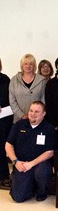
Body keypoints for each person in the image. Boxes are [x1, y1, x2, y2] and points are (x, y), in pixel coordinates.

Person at [5, 101, 55, 202]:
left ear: (43, 114)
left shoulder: (48, 128)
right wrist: (15, 161)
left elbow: (50, 152)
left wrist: (32, 164)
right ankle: (30, 186)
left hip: (39, 164)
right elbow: (8, 145)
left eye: (37, 111)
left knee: (42, 172)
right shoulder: (19, 125)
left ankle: (42, 191)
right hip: (21, 164)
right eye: (31, 111)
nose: (33, 114)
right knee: (18, 198)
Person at [9, 54, 46, 123]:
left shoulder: (42, 80)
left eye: (31, 64)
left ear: (34, 66)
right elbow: (12, 101)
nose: (28, 66)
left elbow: (43, 100)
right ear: (22, 65)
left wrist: (36, 114)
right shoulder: (14, 80)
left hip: (37, 119)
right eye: (25, 64)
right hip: (19, 120)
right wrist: (22, 115)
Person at [0, 58, 13, 186]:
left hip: (3, 118)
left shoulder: (5, 79)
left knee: (2, 147)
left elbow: (9, 97)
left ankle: (4, 176)